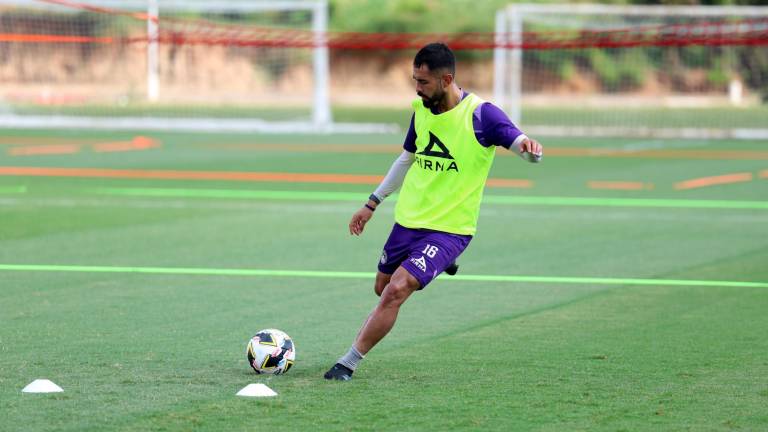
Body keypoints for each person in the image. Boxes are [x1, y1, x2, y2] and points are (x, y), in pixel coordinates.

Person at [324, 42, 542, 381]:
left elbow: (521, 144)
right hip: (409, 220)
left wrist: (531, 151)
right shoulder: (422, 110)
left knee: (397, 289)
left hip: (452, 228)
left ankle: (347, 363)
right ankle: (441, 263)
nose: (417, 88)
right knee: (382, 288)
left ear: (446, 79)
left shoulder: (483, 116)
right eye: (415, 79)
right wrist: (371, 204)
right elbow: (406, 159)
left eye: (423, 82)